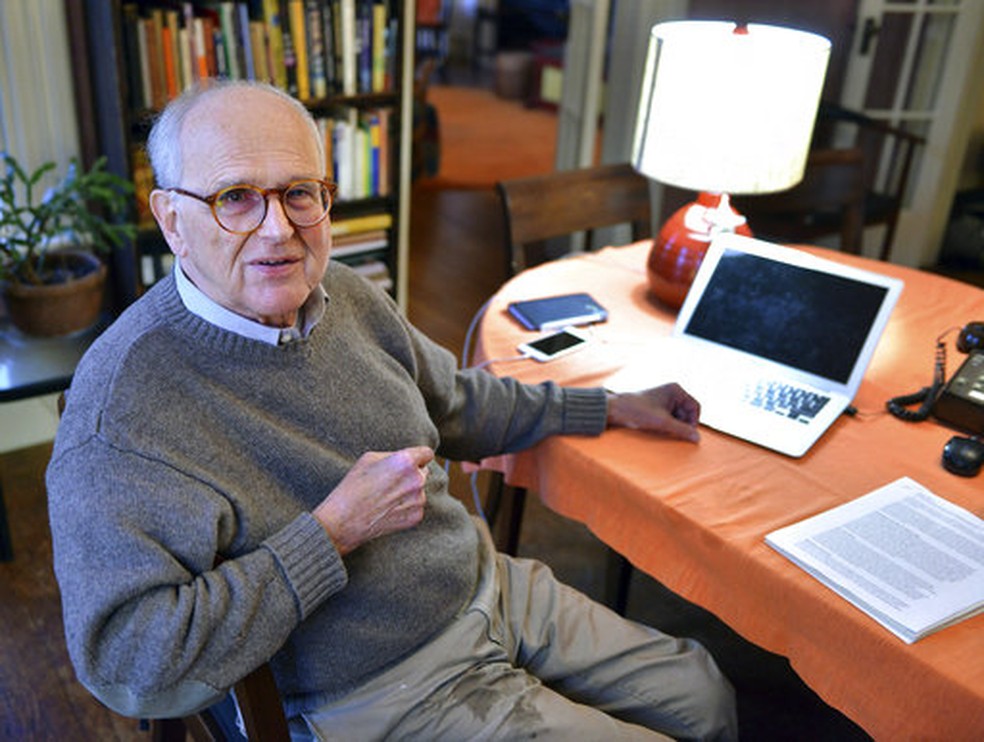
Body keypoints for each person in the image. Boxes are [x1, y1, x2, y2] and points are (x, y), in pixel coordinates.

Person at [47, 80, 737, 741]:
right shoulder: (123, 412)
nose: (278, 229)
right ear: (172, 220)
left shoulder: (345, 294)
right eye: (235, 198)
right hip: (376, 688)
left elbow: (458, 403)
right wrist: (333, 531)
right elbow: (126, 664)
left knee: (707, 694)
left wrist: (612, 406)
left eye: (298, 194)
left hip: (485, 585)